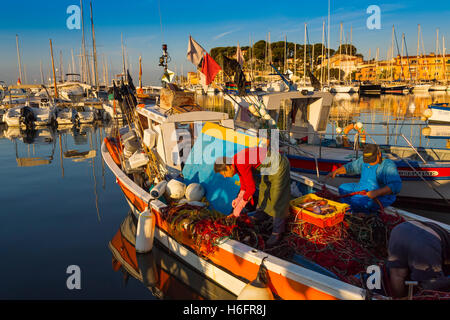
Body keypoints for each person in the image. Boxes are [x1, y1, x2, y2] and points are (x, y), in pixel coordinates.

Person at [214, 147, 291, 246]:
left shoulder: (240, 163)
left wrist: (237, 210)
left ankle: (277, 232)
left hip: (278, 165)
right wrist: (238, 200)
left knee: (277, 198)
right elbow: (244, 186)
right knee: (264, 191)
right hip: (268, 168)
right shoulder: (235, 163)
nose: (224, 176)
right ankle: (260, 217)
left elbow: (251, 189)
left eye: (224, 173)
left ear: (228, 167)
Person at [327, 143, 402, 214]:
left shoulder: (387, 165)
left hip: (381, 195)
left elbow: (396, 185)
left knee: (356, 200)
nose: (369, 162)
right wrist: (336, 171)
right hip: (363, 187)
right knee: (343, 188)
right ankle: (350, 211)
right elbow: (351, 167)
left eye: (372, 160)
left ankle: (364, 213)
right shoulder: (363, 159)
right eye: (368, 160)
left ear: (379, 154)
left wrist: (376, 193)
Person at [386, 220, 450, 298]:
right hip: (426, 242)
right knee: (431, 286)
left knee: (397, 274)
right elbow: (434, 284)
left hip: (401, 229)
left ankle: (398, 297)